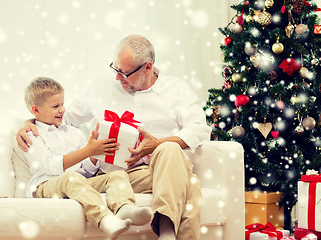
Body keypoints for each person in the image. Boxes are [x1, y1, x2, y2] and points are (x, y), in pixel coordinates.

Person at [17, 35, 211, 240]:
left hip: (159, 167)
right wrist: (30, 123)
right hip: (115, 174)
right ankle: (167, 233)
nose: (118, 78)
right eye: (116, 69)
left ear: (147, 67)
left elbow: (199, 128)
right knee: (190, 182)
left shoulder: (176, 90)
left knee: (170, 149)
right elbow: (64, 119)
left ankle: (166, 231)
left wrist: (156, 145)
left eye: (125, 73)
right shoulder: (104, 86)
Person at [23, 77, 152, 240]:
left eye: (63, 104)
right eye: (56, 106)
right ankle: (105, 219)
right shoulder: (31, 135)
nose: (62, 110)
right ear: (36, 110)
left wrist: (93, 155)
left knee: (116, 175)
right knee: (70, 177)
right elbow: (50, 166)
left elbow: (86, 171)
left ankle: (124, 207)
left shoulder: (74, 133)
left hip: (78, 182)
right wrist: (86, 151)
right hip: (46, 185)